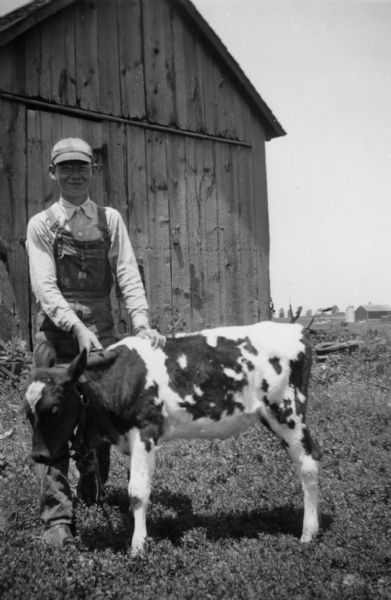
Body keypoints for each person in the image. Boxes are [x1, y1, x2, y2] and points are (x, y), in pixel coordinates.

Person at [26, 137, 164, 547]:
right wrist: (74, 327)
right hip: (55, 335)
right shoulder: (42, 225)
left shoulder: (109, 220)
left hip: (101, 332)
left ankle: (94, 486)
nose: (73, 174)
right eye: (64, 168)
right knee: (51, 420)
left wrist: (140, 323)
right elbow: (45, 289)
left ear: (92, 171)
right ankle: (57, 520)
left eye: (80, 167)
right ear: (52, 173)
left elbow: (127, 274)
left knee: (102, 417)